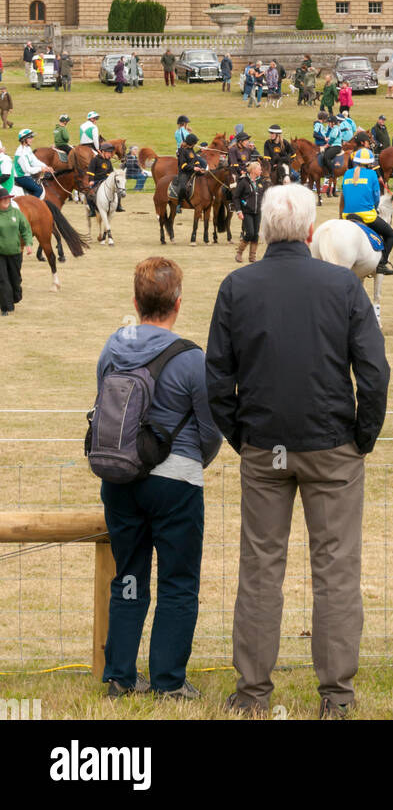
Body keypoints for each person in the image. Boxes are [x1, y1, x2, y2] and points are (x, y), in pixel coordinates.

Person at [206, 184, 390, 719]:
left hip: (271, 445)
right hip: (327, 443)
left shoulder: (238, 286)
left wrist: (242, 435)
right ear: (311, 230)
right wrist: (363, 435)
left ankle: (252, 694)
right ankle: (335, 697)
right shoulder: (341, 285)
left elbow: (217, 375)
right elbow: (373, 372)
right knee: (335, 570)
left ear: (264, 229)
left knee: (260, 568)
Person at [97, 257, 222, 698]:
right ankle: (169, 682)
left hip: (119, 477)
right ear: (178, 303)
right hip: (177, 480)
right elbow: (211, 429)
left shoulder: (112, 348)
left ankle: (120, 677)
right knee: (178, 581)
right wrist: (192, 464)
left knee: (128, 576)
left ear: (135, 301)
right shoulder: (192, 359)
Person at [340, 148, 393, 273]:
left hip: (347, 215)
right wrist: (375, 208)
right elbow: (376, 197)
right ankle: (382, 263)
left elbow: (345, 193)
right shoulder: (372, 174)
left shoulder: (347, 173)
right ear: (370, 163)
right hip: (366, 216)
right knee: (391, 235)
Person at [0, 188, 33, 315]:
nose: (6, 200)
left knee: (15, 279)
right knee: (3, 279)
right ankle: (5, 307)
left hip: (15, 252)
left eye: (8, 198)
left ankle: (14, 297)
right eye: (3, 199)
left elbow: (26, 230)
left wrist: (29, 244)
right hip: (1, 253)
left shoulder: (16, 213)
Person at [234, 159, 266, 262]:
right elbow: (236, 197)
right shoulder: (243, 182)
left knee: (256, 234)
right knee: (250, 233)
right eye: (259, 169)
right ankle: (239, 253)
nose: (261, 171)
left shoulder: (260, 182)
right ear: (253, 170)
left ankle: (252, 257)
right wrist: (239, 211)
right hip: (246, 212)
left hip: (258, 212)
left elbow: (263, 195)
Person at [13, 128, 48, 199]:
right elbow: (28, 170)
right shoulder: (20, 153)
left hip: (26, 176)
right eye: (30, 137)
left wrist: (45, 166)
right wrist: (41, 169)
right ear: (24, 139)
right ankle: (29, 205)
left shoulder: (27, 149)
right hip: (20, 177)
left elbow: (34, 161)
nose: (32, 139)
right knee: (39, 190)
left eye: (32, 137)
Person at [176, 133, 205, 209]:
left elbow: (196, 161)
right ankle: (179, 204)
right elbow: (183, 165)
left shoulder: (192, 150)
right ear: (192, 143)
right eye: (195, 143)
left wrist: (199, 167)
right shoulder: (182, 151)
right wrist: (193, 168)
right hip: (184, 173)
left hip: (193, 172)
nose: (196, 144)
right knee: (183, 187)